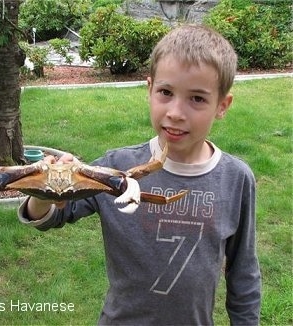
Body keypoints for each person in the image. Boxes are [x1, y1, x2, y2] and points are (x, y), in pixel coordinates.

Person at [18, 24, 261, 325]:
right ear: (149, 90)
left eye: (197, 98)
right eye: (165, 92)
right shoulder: (115, 167)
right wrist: (43, 190)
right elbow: (55, 215)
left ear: (222, 105)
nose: (175, 112)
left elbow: (243, 271)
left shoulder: (236, 179)